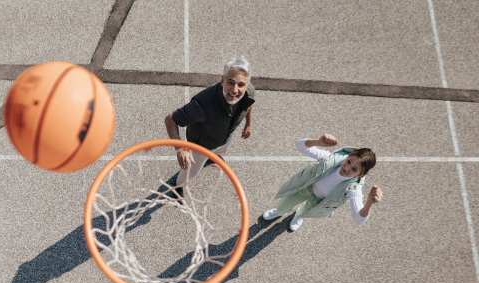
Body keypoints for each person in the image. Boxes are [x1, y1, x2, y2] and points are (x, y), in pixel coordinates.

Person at [164, 56, 255, 193]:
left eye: (241, 85)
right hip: (201, 146)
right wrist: (180, 149)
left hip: (224, 135)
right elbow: (170, 119)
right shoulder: (201, 106)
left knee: (221, 149)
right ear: (222, 80)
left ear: (246, 85)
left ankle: (213, 158)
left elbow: (249, 103)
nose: (235, 90)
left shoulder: (249, 91)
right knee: (190, 172)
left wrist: (248, 123)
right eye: (231, 82)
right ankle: (177, 186)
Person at [263, 134, 383, 231]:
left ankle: (299, 215)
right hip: (306, 187)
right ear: (348, 156)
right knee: (283, 206)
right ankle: (280, 211)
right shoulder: (330, 159)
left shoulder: (354, 188)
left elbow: (358, 219)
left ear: (361, 175)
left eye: (354, 169)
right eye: (349, 161)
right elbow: (299, 146)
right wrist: (317, 142)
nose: (347, 168)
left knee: (305, 212)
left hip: (319, 203)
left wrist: (368, 204)